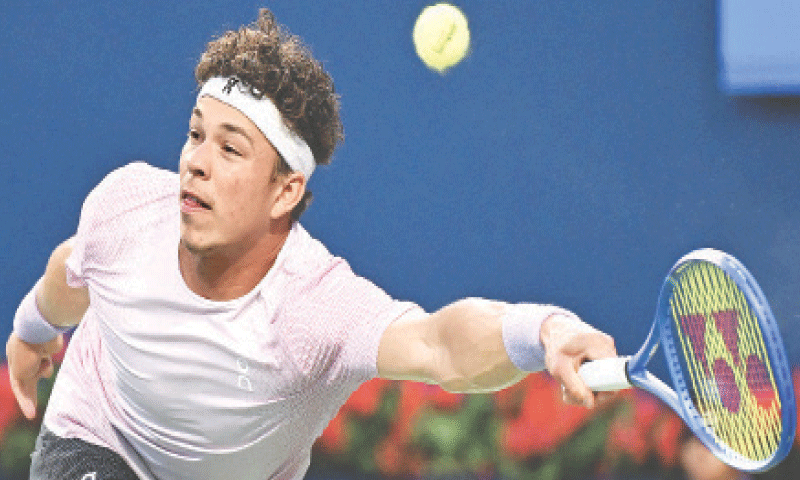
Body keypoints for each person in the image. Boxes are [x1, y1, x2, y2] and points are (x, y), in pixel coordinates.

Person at [5, 8, 617, 480]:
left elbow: (440, 346)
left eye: (230, 149)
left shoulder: (314, 307)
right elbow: (73, 270)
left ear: (284, 191)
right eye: (196, 135)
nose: (194, 163)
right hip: (94, 442)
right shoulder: (129, 207)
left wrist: (544, 330)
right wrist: (32, 329)